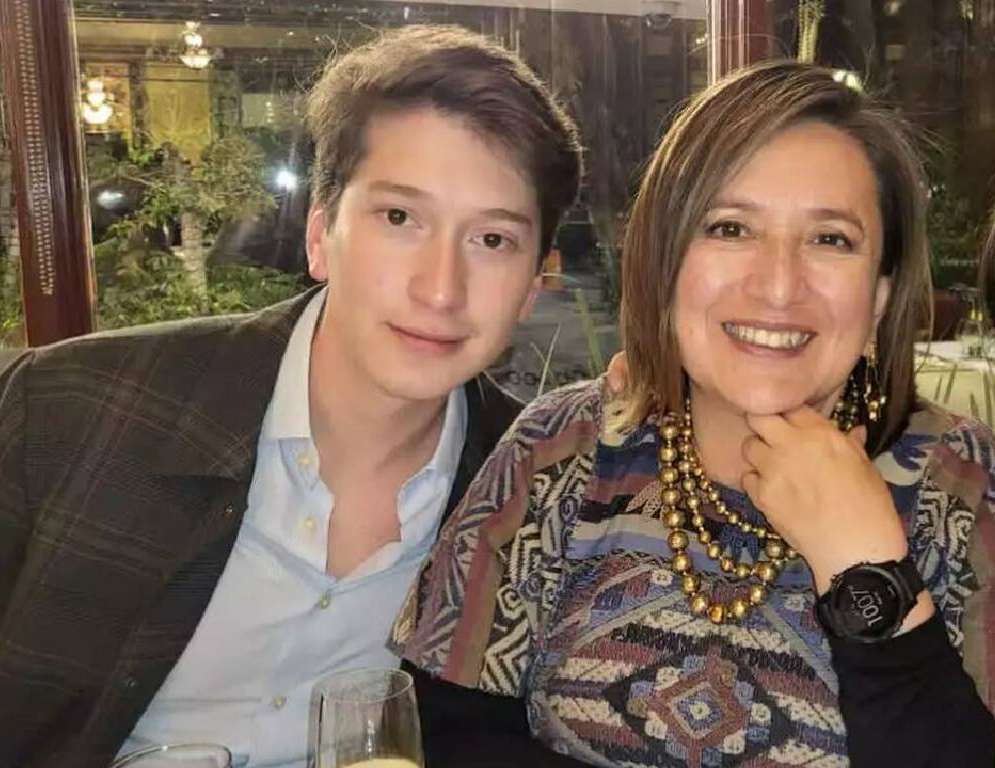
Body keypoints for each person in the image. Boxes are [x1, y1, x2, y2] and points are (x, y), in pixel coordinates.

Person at [0, 25, 582, 768]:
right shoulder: (72, 413)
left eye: (492, 240)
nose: (440, 289)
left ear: (533, 285)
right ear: (321, 235)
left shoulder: (538, 496)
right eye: (399, 218)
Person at [394, 60, 995, 767]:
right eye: (730, 228)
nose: (778, 285)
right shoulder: (559, 450)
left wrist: (865, 569)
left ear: (881, 298)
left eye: (830, 239)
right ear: (667, 266)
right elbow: (441, 731)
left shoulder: (961, 486)